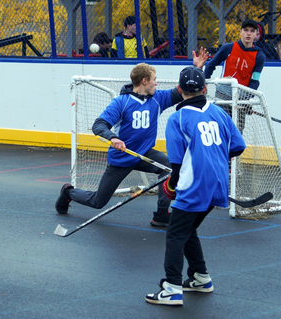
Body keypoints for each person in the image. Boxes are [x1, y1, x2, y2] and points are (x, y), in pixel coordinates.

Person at [55, 49, 210, 227]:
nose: (156, 83)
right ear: (144, 81)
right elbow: (99, 125)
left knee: (169, 167)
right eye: (154, 80)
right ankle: (68, 192)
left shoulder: (158, 99)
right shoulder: (121, 102)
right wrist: (112, 138)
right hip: (122, 158)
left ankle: (161, 214)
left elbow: (184, 89)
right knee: (98, 202)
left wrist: (196, 69)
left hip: (144, 154)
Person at [145, 66, 246, 306]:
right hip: (219, 183)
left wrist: (170, 186)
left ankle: (171, 288)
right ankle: (200, 277)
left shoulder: (177, 118)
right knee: (188, 229)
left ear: (179, 90)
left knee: (175, 232)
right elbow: (238, 147)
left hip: (194, 185)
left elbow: (177, 166)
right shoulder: (220, 113)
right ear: (205, 88)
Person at [203, 19, 265, 132]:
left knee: (237, 131)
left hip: (241, 98)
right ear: (240, 32)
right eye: (245, 30)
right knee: (220, 128)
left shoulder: (259, 56)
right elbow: (210, 65)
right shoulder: (228, 48)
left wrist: (247, 99)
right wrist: (204, 83)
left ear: (256, 34)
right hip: (222, 95)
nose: (248, 33)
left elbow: (255, 80)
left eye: (252, 31)